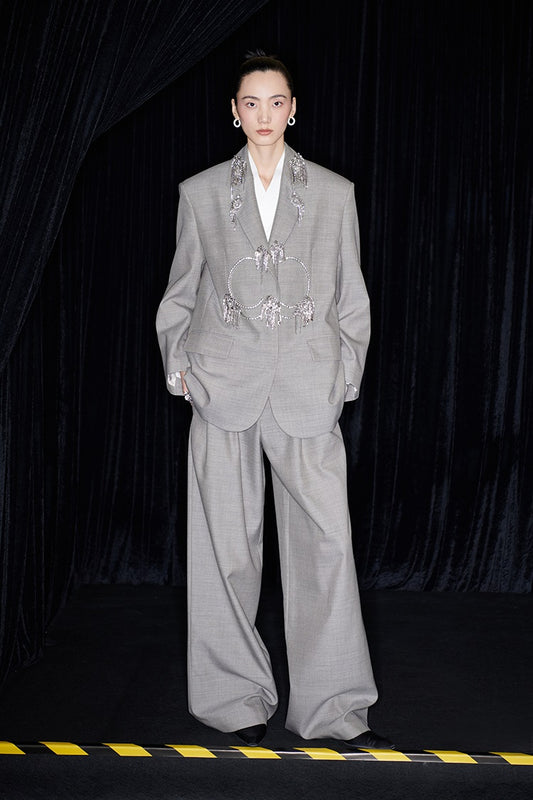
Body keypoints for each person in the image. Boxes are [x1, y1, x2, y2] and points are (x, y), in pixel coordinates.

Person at [156, 51, 393, 750]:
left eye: (276, 101)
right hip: (222, 385)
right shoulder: (200, 193)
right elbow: (180, 291)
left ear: (294, 107)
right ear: (234, 111)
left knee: (325, 547)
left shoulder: (334, 194)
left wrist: (345, 375)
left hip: (307, 388)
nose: (264, 115)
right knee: (225, 552)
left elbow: (352, 297)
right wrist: (180, 368)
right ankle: (232, 700)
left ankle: (333, 706)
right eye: (251, 103)